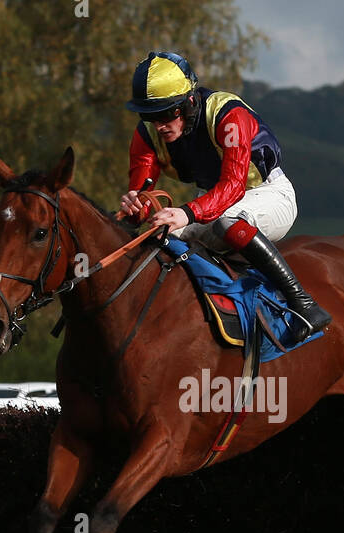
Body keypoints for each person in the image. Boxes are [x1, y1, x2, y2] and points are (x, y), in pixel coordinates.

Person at [119, 50, 330, 348]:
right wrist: (134, 209)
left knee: (228, 223)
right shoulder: (146, 135)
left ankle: (304, 305)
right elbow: (142, 195)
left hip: (266, 193)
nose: (159, 125)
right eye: (149, 116)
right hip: (210, 203)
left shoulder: (229, 115)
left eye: (166, 113)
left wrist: (187, 213)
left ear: (189, 101)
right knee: (160, 236)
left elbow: (232, 187)